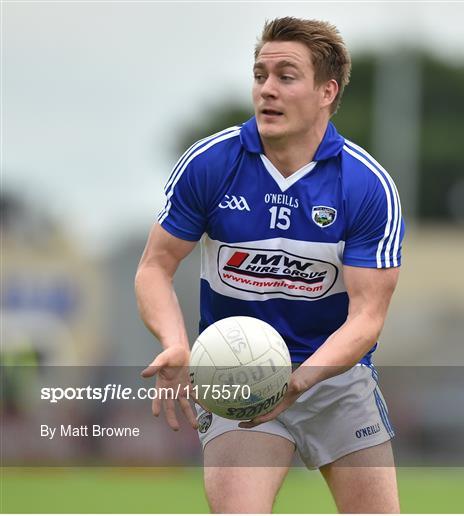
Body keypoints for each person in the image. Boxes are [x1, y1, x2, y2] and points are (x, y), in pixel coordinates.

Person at [135, 16, 404, 513]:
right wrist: (175, 342)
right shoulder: (212, 163)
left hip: (334, 379)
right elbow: (155, 267)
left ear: (327, 91)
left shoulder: (366, 184)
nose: (267, 90)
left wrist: (299, 380)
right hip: (239, 377)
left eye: (286, 76)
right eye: (260, 75)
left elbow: (367, 317)